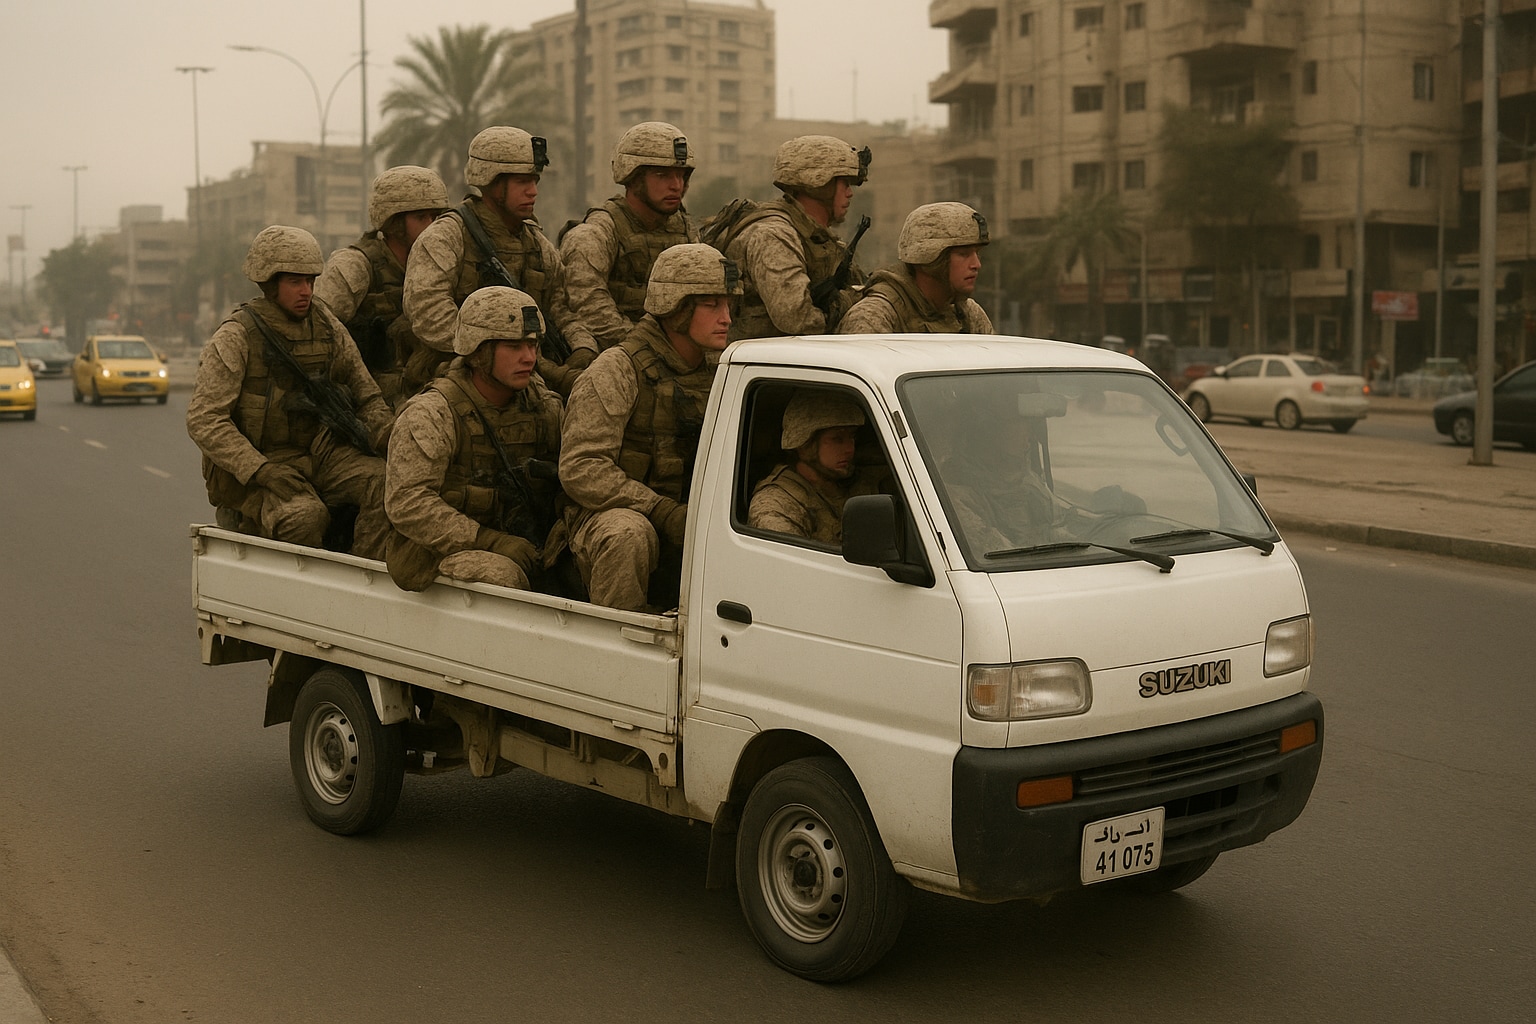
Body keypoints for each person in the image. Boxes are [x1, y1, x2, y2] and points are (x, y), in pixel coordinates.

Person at [187, 225, 393, 557]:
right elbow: (205, 419)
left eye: (310, 281)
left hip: (321, 454)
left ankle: (360, 574)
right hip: (264, 463)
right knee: (304, 517)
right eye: (295, 282)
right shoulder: (237, 335)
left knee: (386, 484)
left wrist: (389, 436)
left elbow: (365, 392)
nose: (306, 291)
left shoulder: (325, 324)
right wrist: (260, 469)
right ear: (270, 284)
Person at [558, 243, 741, 611]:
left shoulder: (723, 369)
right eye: (711, 305)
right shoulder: (617, 370)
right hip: (614, 516)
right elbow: (581, 467)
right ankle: (618, 638)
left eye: (728, 305)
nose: (726, 318)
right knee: (627, 533)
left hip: (689, 513)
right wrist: (658, 509)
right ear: (676, 309)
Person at [384, 286, 564, 592]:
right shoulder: (433, 413)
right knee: (503, 577)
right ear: (479, 352)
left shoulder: (544, 406)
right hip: (444, 549)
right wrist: (488, 540)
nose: (529, 357)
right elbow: (408, 503)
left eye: (533, 345)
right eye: (514, 346)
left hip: (527, 539)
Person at [402, 125, 598, 398]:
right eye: (522, 182)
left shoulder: (537, 244)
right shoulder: (445, 238)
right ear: (492, 183)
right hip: (460, 377)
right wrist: (497, 352)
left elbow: (560, 307)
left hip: (530, 370)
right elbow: (428, 313)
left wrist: (582, 346)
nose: (533, 192)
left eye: (534, 181)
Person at [315, 165, 450, 407]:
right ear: (394, 222)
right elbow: (316, 335)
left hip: (429, 394)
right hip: (370, 400)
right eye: (421, 217)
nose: (432, 226)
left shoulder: (443, 265)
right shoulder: (355, 266)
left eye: (435, 217)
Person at [560, 122, 701, 350]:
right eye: (662, 175)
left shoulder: (686, 231)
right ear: (634, 178)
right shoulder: (595, 235)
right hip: (618, 353)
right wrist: (649, 348)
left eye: (681, 175)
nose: (676, 185)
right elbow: (590, 308)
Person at [722, 134, 870, 340]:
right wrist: (848, 303)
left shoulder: (817, 237)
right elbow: (797, 318)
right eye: (844, 183)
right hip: (764, 357)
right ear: (819, 183)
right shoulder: (772, 236)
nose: (849, 193)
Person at [838, 202, 995, 335]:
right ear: (931, 257)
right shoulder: (874, 316)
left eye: (977, 253)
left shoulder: (969, 315)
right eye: (963, 254)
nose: (976, 264)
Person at [748, 390, 883, 545]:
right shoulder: (776, 504)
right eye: (837, 439)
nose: (850, 449)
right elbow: (785, 557)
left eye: (852, 437)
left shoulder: (855, 482)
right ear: (805, 445)